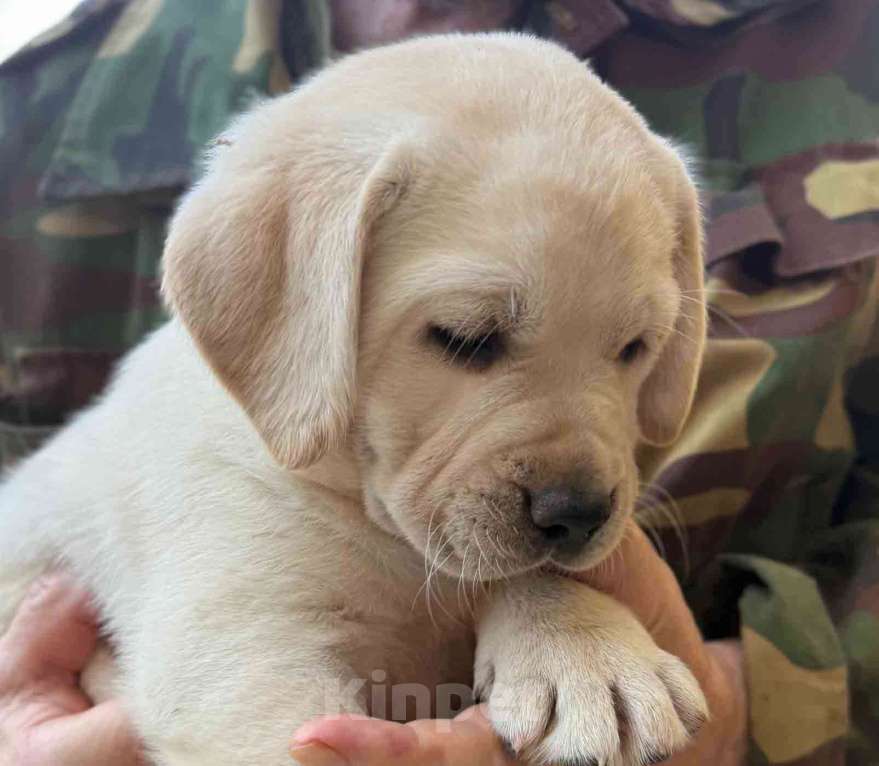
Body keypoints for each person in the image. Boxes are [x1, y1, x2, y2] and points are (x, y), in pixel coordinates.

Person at [1, 1, 877, 764]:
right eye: (468, 338)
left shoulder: (842, 41)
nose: (578, 489)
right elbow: (232, 688)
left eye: (633, 345)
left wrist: (717, 706)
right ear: (293, 312)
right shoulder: (38, 109)